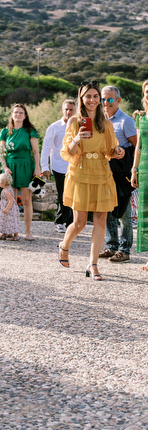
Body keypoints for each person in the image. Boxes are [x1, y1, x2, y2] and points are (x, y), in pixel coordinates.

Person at [59, 82, 124, 281]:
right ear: (82, 99)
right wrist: (77, 139)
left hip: (101, 172)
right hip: (80, 172)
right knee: (78, 223)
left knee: (101, 218)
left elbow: (111, 150)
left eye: (96, 96)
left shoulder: (106, 123)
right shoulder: (74, 121)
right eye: (89, 96)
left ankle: (93, 264)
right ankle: (64, 246)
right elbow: (67, 153)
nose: (93, 100)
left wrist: (118, 152)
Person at [99, 85, 137, 263]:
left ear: (118, 100)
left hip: (121, 174)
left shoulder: (126, 121)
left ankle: (125, 249)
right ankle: (112, 246)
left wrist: (123, 152)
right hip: (104, 173)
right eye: (103, 99)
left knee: (124, 213)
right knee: (107, 211)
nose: (106, 103)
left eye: (110, 99)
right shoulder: (100, 120)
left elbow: (138, 147)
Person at [0, 104, 41, 241]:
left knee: (27, 200)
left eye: (21, 112)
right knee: (10, 199)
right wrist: (4, 167)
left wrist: (37, 168)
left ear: (25, 115)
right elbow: (1, 152)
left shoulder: (30, 131)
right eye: (15, 112)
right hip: (10, 166)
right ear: (12, 114)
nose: (18, 114)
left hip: (26, 166)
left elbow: (35, 151)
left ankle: (28, 232)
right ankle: (10, 231)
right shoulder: (5, 132)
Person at [41, 99, 76, 232]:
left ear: (75, 110)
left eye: (71, 109)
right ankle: (61, 221)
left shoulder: (79, 126)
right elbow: (46, 148)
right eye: (66, 109)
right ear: (62, 110)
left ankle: (70, 223)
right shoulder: (54, 127)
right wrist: (44, 167)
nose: (68, 112)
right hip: (59, 166)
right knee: (63, 195)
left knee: (73, 195)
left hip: (75, 166)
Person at [130, 79, 148, 271]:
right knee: (145, 213)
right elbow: (138, 148)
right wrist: (134, 170)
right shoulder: (141, 118)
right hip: (144, 169)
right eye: (147, 91)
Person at [0, 171, 20, 241]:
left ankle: (16, 235)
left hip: (9, 209)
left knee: (11, 221)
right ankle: (4, 233)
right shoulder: (10, 188)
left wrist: (7, 209)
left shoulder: (6, 191)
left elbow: (11, 200)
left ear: (1, 183)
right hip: (7, 208)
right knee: (5, 221)